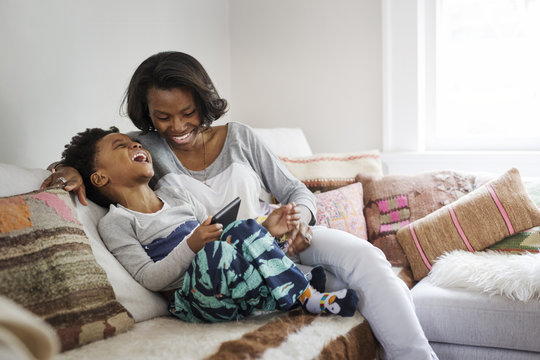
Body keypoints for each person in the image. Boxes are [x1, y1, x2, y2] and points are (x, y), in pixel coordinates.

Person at [42, 51, 438, 358]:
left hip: (279, 235)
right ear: (148, 115)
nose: (177, 127)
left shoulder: (240, 138)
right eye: (162, 117)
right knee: (345, 286)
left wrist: (300, 218)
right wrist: (69, 171)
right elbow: (96, 156)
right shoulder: (145, 146)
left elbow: (293, 190)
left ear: (203, 100)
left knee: (367, 260)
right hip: (229, 263)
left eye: (187, 112)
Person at [58, 126, 359, 323]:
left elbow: (221, 231)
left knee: (239, 231)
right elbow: (149, 278)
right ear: (99, 178)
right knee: (216, 253)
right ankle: (301, 291)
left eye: (134, 141)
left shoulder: (175, 195)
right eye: (120, 146)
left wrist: (266, 228)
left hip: (228, 279)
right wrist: (192, 245)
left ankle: (304, 296)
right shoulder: (117, 222)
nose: (134, 144)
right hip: (192, 300)